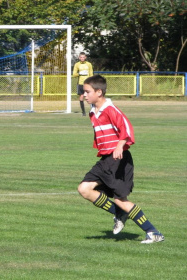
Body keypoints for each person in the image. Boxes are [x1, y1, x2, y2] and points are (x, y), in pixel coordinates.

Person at [77, 75, 164, 244]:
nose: (84, 95)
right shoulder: (93, 112)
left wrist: (119, 146)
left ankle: (153, 232)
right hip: (105, 160)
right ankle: (119, 213)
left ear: (99, 92)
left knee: (121, 200)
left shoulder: (111, 109)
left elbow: (127, 129)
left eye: (87, 92)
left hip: (119, 160)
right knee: (84, 189)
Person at [72, 52, 93, 116]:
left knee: (90, 96)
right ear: (79, 58)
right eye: (81, 57)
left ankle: (93, 110)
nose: (82, 58)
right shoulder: (77, 64)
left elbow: (91, 73)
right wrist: (80, 73)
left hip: (88, 83)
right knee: (81, 97)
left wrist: (91, 81)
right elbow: (74, 74)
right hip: (80, 83)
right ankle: (83, 112)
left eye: (83, 57)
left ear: (85, 57)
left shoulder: (89, 64)